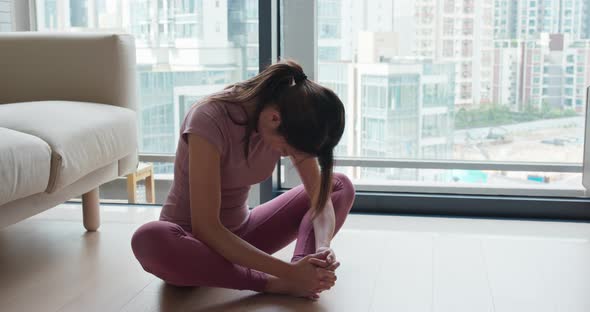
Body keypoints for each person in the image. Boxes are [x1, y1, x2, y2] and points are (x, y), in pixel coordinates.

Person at [131, 59, 355, 300]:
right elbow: (206, 229)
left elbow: (319, 199)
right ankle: (276, 283)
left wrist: (322, 246)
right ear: (274, 119)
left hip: (243, 237)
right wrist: (286, 274)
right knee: (149, 238)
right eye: (287, 149)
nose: (289, 156)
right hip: (190, 244)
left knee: (339, 185)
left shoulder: (293, 115)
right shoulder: (208, 119)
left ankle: (304, 274)